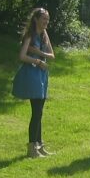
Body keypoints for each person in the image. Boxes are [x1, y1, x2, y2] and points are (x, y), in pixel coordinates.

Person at [16, 8, 55, 158]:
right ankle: (32, 147)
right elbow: (22, 56)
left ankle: (39, 145)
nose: (46, 22)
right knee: (36, 111)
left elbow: (51, 55)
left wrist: (40, 54)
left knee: (39, 112)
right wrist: (37, 61)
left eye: (48, 19)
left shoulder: (44, 34)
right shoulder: (30, 35)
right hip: (32, 75)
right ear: (36, 19)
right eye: (44, 19)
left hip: (42, 75)